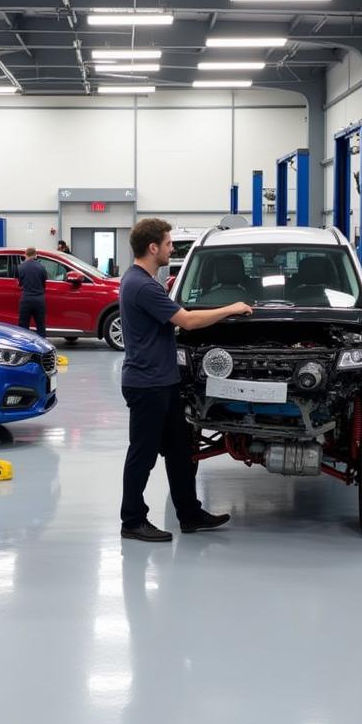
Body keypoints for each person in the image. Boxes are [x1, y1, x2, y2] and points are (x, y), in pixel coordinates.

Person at [120, 218, 254, 542]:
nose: (170, 249)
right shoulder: (143, 285)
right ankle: (132, 520)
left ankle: (190, 514)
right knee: (143, 453)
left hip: (162, 381)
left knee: (180, 450)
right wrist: (232, 307)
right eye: (168, 244)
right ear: (153, 248)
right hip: (147, 384)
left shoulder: (141, 281)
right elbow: (188, 321)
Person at [17, 246, 48, 337]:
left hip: (26, 299)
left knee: (23, 326)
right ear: (35, 255)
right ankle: (43, 347)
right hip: (39, 300)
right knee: (40, 326)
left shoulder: (20, 267)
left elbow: (20, 283)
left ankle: (24, 348)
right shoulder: (42, 267)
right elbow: (43, 283)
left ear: (25, 255)